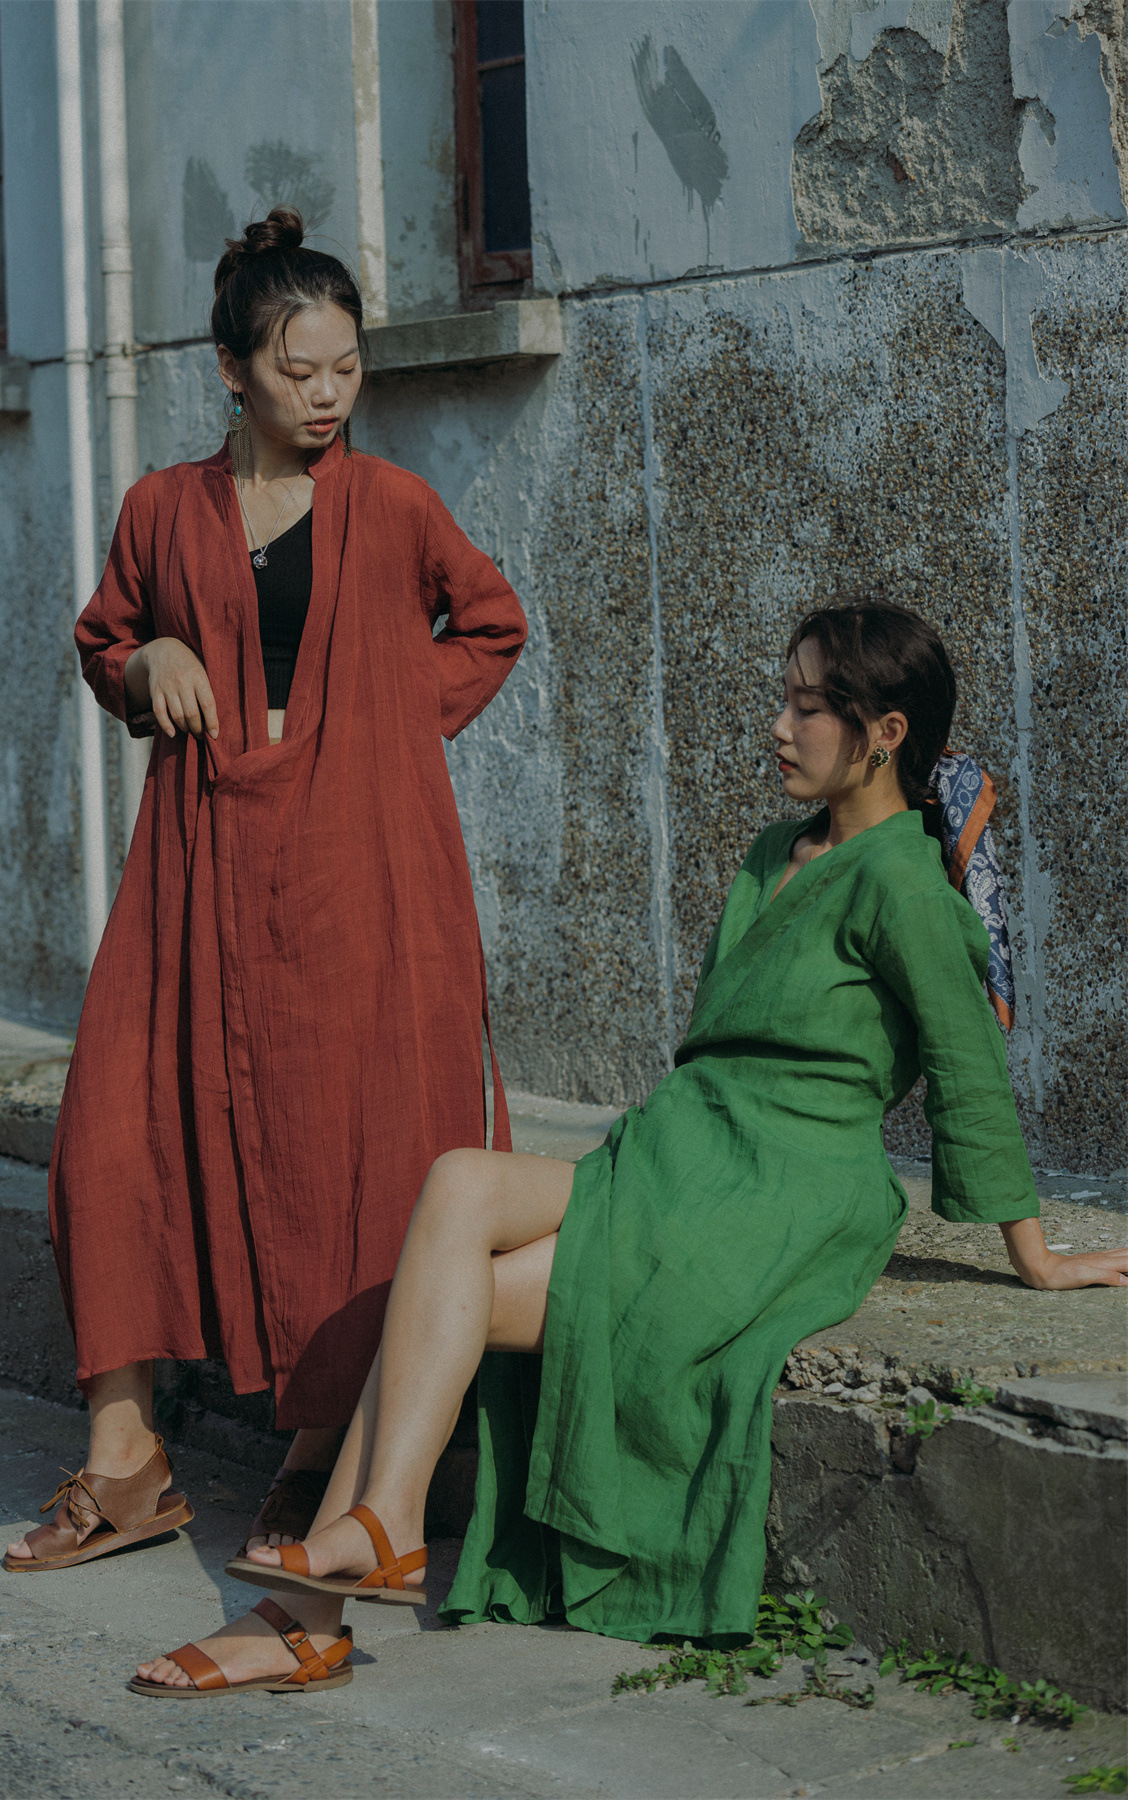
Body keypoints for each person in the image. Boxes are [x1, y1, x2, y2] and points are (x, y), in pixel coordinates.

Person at [131, 601, 1126, 1696]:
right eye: (783, 699)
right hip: (678, 1151)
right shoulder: (774, 852)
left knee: (456, 1291)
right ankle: (383, 1527)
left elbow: (970, 1071)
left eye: (809, 708)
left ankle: (314, 1606)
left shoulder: (905, 884)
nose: (779, 727)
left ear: (885, 734)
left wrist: (1036, 1256)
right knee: (458, 1181)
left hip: (783, 1187)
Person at [5, 208, 527, 1576]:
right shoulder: (161, 510)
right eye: (300, 372)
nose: (329, 394)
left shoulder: (394, 505)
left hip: (364, 859)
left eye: (348, 368)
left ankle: (322, 1454)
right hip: (194, 856)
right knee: (111, 1133)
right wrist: (145, 662)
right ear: (232, 371)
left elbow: (492, 622)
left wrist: (382, 721)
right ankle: (127, 1461)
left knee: (354, 1139)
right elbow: (106, 636)